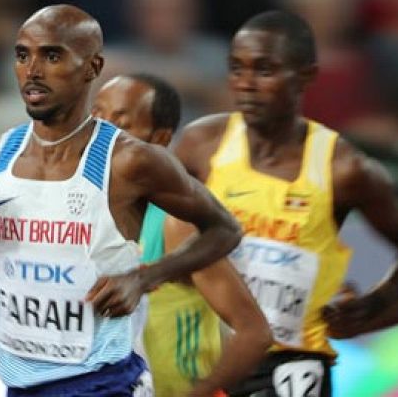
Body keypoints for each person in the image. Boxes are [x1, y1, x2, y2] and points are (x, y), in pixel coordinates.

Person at [0, 4, 245, 397]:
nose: (32, 70)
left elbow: (225, 229)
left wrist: (145, 277)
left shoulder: (129, 160)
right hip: (18, 383)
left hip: (104, 384)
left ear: (92, 66)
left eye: (51, 55)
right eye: (23, 55)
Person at [172, 10, 398, 396]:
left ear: (306, 76)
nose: (246, 84)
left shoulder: (343, 168)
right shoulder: (202, 145)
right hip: (209, 356)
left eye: (264, 70)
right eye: (237, 68)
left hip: (290, 366)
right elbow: (146, 224)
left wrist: (372, 309)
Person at [92, 73, 271, 397]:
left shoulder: (174, 224)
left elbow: (253, 332)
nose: (101, 134)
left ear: (159, 139)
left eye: (120, 123)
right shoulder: (73, 210)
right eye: (97, 116)